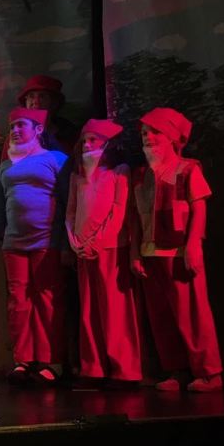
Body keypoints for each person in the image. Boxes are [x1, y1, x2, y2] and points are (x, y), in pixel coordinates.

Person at [129, 108, 222, 392]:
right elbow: (135, 218)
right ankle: (176, 370)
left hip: (178, 252)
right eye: (144, 133)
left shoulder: (187, 169)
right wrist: (135, 253)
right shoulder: (141, 175)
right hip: (150, 253)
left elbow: (199, 206)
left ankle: (209, 373)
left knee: (191, 314)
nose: (148, 138)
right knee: (162, 316)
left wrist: (193, 244)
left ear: (170, 136)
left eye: (154, 132)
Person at [0, 108, 70, 385]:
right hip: (14, 244)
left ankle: (50, 361)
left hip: (46, 241)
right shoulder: (6, 166)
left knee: (47, 300)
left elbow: (68, 203)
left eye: (21, 125)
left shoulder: (56, 159)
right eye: (12, 126)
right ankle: (23, 360)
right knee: (18, 303)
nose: (15, 130)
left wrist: (63, 243)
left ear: (38, 129)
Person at [65, 119, 141, 387]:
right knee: (89, 310)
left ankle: (124, 370)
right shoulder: (77, 177)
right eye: (84, 140)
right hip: (83, 251)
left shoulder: (118, 172)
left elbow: (119, 211)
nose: (87, 145)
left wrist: (97, 241)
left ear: (108, 144)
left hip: (110, 249)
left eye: (93, 140)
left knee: (114, 310)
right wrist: (74, 241)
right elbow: (70, 212)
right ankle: (93, 367)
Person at [18, 74, 79, 154]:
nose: (36, 102)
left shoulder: (70, 135)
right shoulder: (16, 134)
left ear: (54, 103)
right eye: (31, 96)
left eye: (42, 96)